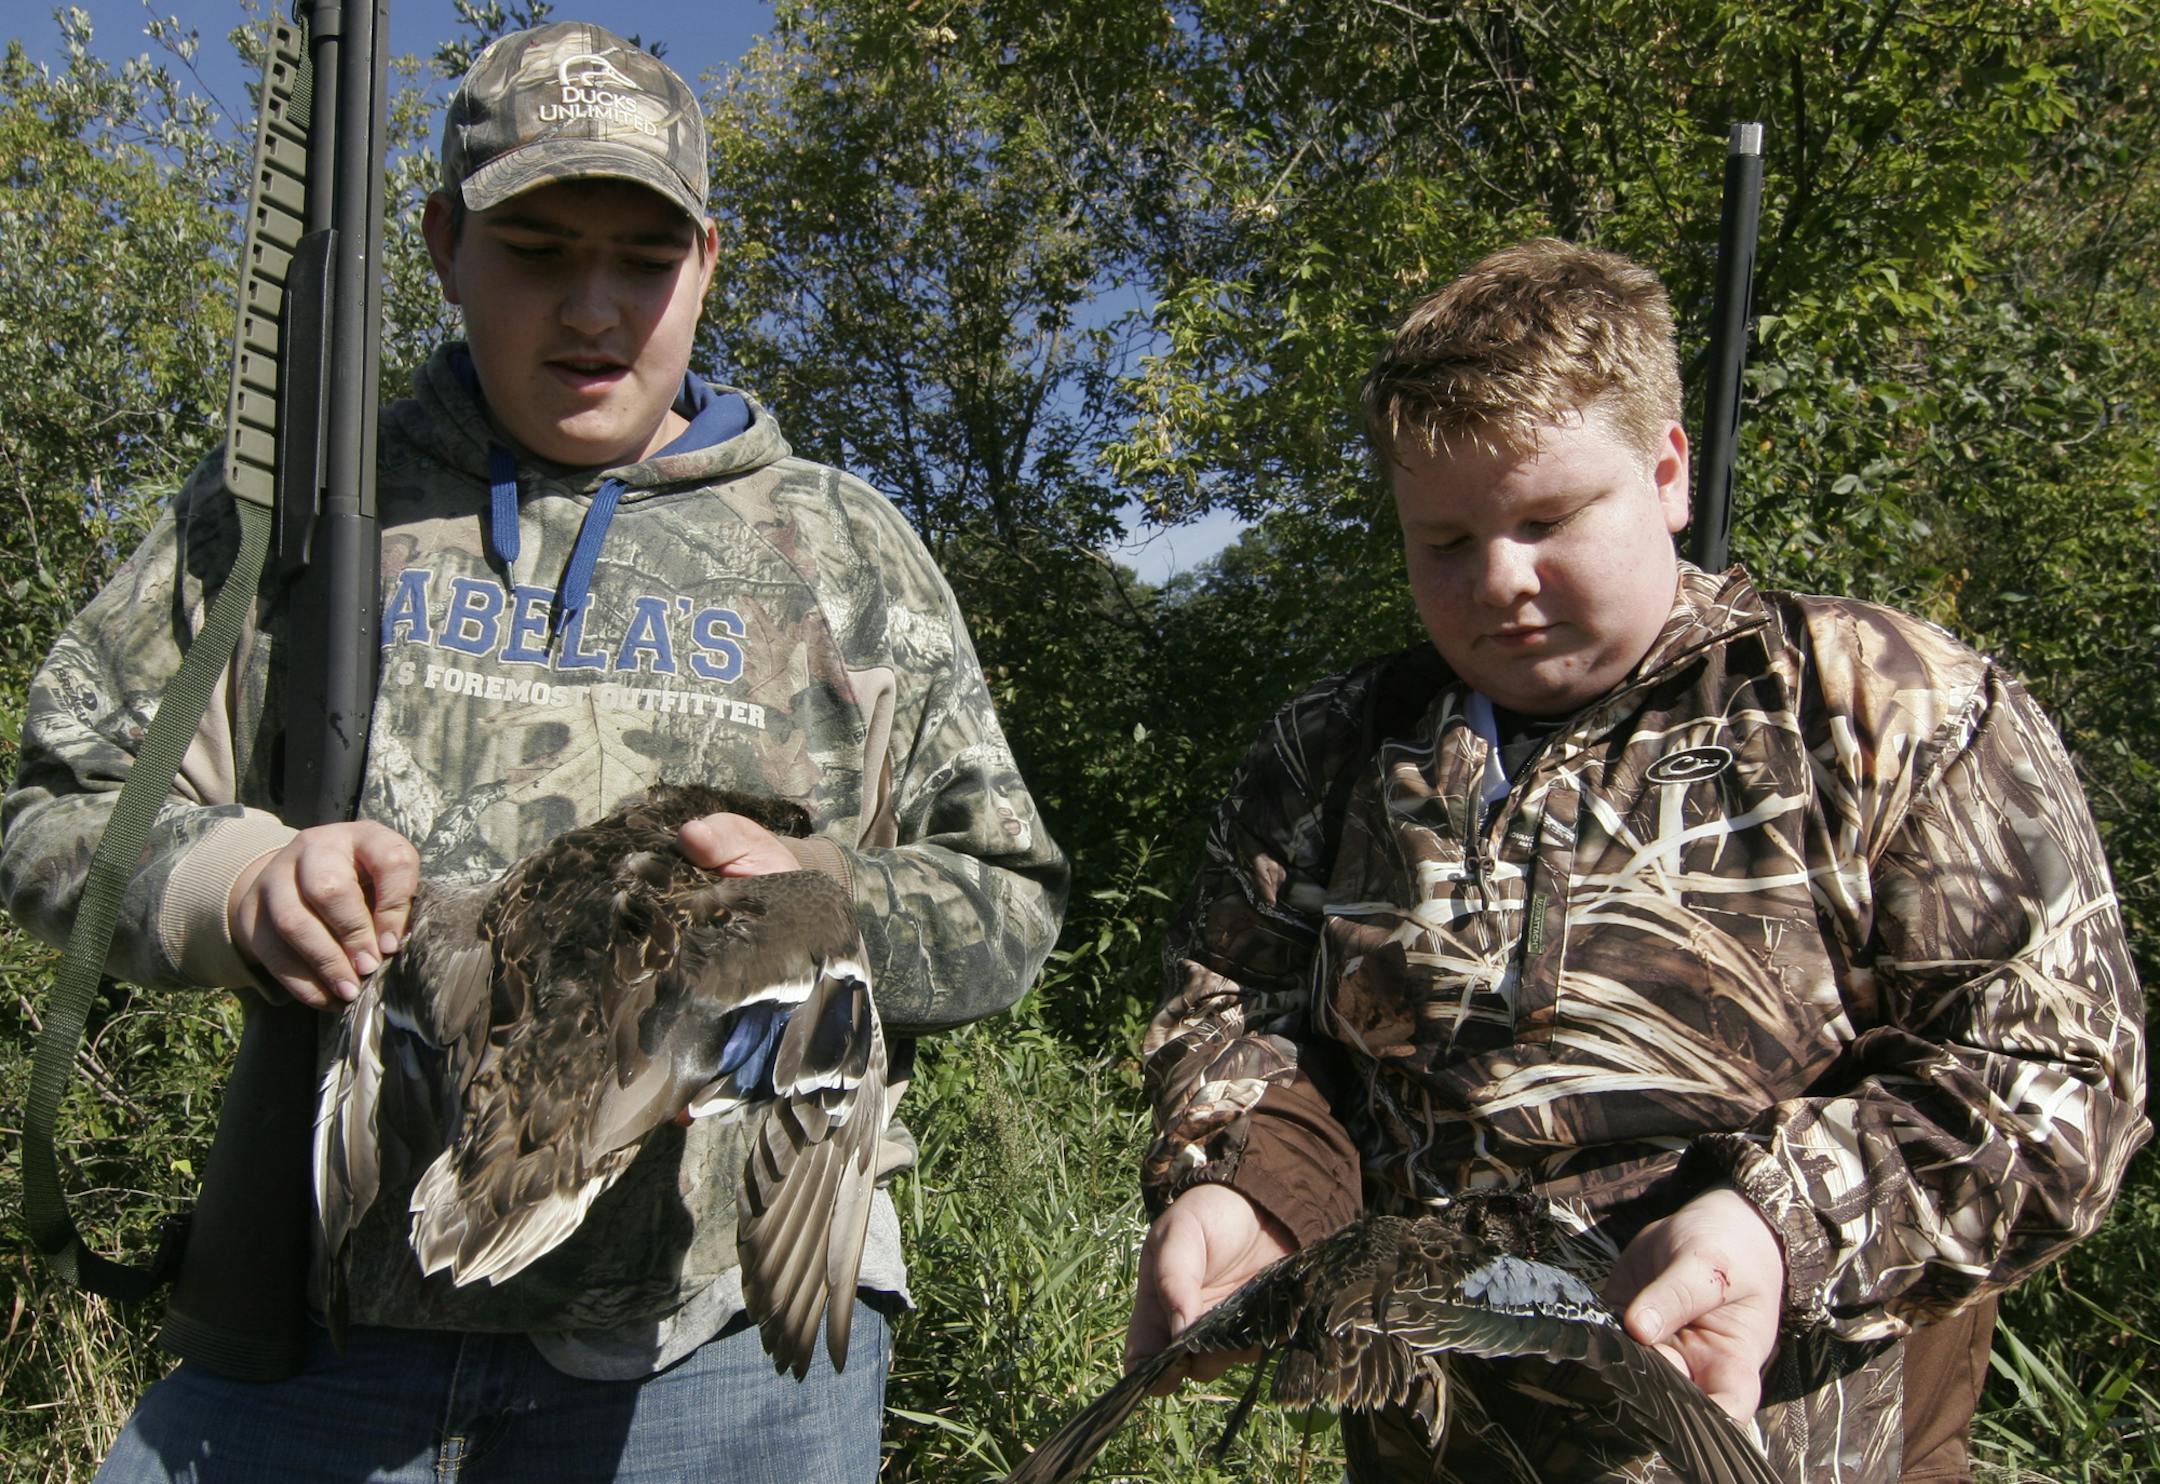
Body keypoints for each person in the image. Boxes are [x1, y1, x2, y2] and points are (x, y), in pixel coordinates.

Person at [1, 20, 1066, 1483]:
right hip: (330, 1326)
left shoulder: (842, 549)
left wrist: (821, 900)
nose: (594, 307)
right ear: (442, 246)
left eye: (643, 259)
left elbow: (1009, 899)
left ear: (707, 261)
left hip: (716, 1351)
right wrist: (231, 886)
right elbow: (61, 807)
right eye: (539, 250)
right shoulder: (305, 508)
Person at [1124, 238, 2146, 1481]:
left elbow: (2058, 1074)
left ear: (1668, 472)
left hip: (1792, 1445)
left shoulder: (1883, 703)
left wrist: (1779, 1230)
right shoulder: (1325, 754)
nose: (1501, 579)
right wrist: (1253, 1188)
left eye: (1549, 517)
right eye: (1444, 540)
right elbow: (1237, 1018)